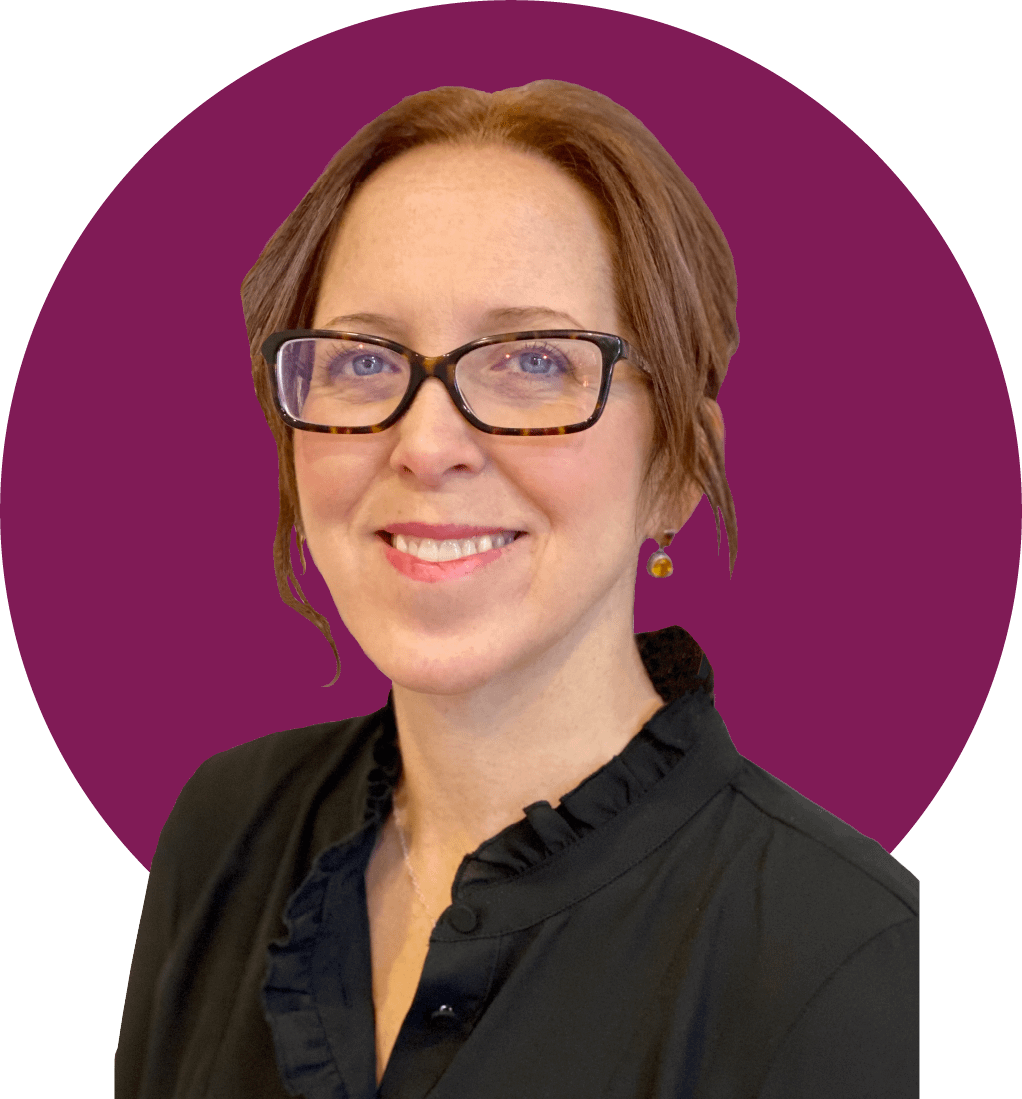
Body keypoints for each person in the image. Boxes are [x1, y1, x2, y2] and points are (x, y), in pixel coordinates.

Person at [114, 81, 919, 1098]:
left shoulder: (848, 959)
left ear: (674, 463)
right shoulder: (224, 827)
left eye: (533, 359)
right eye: (364, 359)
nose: (426, 445)